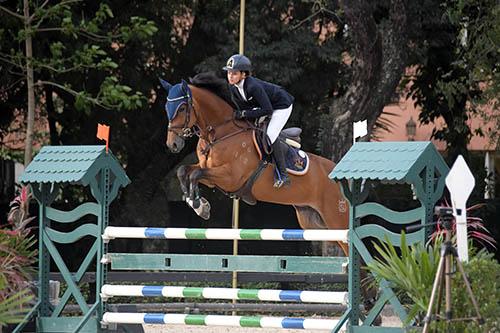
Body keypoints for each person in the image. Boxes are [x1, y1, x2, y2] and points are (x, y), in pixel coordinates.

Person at [223, 54, 294, 188]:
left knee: (270, 135)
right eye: (229, 73)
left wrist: (245, 113)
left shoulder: (253, 86)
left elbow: (267, 110)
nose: (230, 76)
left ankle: (283, 175)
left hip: (281, 106)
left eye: (234, 73)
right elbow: (244, 109)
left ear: (244, 75)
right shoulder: (233, 88)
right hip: (264, 107)